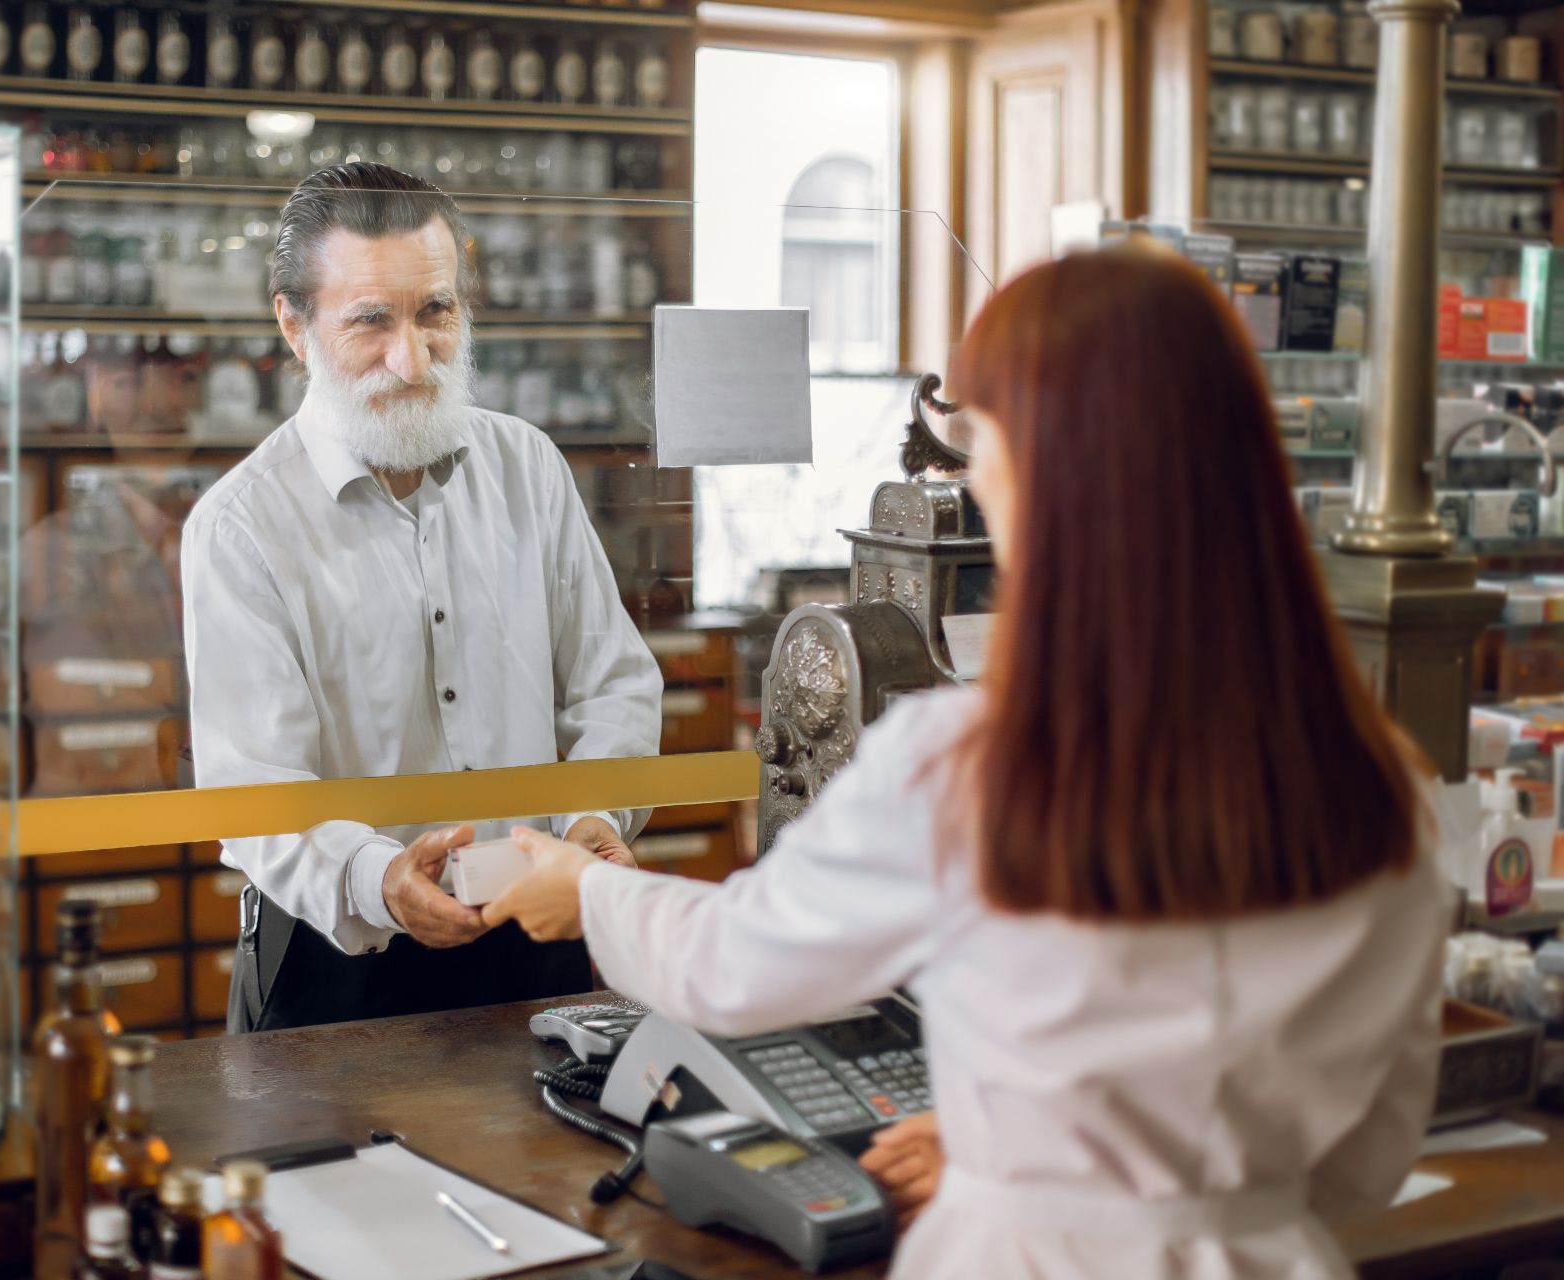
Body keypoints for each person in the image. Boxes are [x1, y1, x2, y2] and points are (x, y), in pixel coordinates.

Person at [484, 247, 1450, 1278]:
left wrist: (582, 888)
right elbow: (1366, 1163)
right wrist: (1034, 1147)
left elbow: (729, 966)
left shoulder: (974, 766)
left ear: (1051, 475)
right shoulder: (1383, 786)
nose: (979, 482)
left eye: (985, 448)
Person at [182, 163, 662, 1031]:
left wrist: (595, 815)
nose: (413, 358)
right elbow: (253, 788)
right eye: (372, 321)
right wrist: (379, 880)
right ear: (295, 326)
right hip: (340, 958)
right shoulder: (240, 527)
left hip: (536, 931)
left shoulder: (528, 467)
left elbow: (613, 682)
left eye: (435, 311)